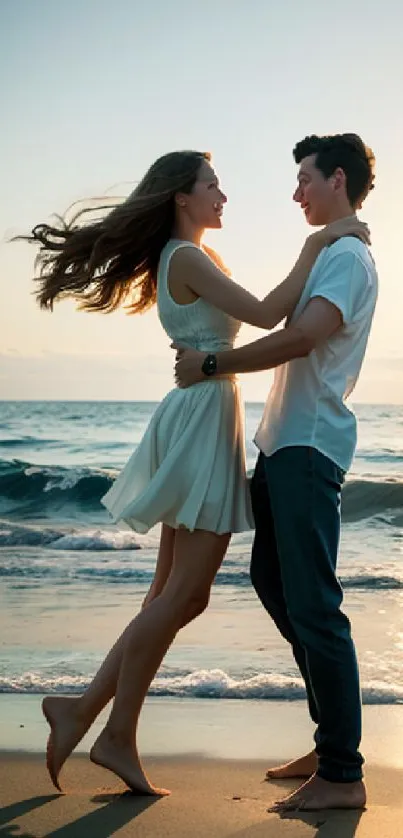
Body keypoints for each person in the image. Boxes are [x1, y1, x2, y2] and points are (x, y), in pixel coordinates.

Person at [21, 149, 369, 796]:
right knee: (184, 595)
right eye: (212, 185)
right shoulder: (187, 257)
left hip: (202, 413)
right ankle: (102, 723)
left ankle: (95, 720)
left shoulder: (192, 258)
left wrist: (321, 243)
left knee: (170, 594)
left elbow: (261, 320)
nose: (222, 196)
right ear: (182, 195)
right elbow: (268, 318)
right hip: (202, 415)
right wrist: (320, 241)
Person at [174, 134, 378, 812]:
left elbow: (298, 336)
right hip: (283, 444)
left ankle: (342, 773)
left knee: (315, 607)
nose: (295, 194)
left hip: (309, 448)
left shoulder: (348, 257)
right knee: (275, 586)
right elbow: (278, 313)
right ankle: (330, 746)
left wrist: (211, 365)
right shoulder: (331, 251)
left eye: (304, 180)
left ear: (336, 179)